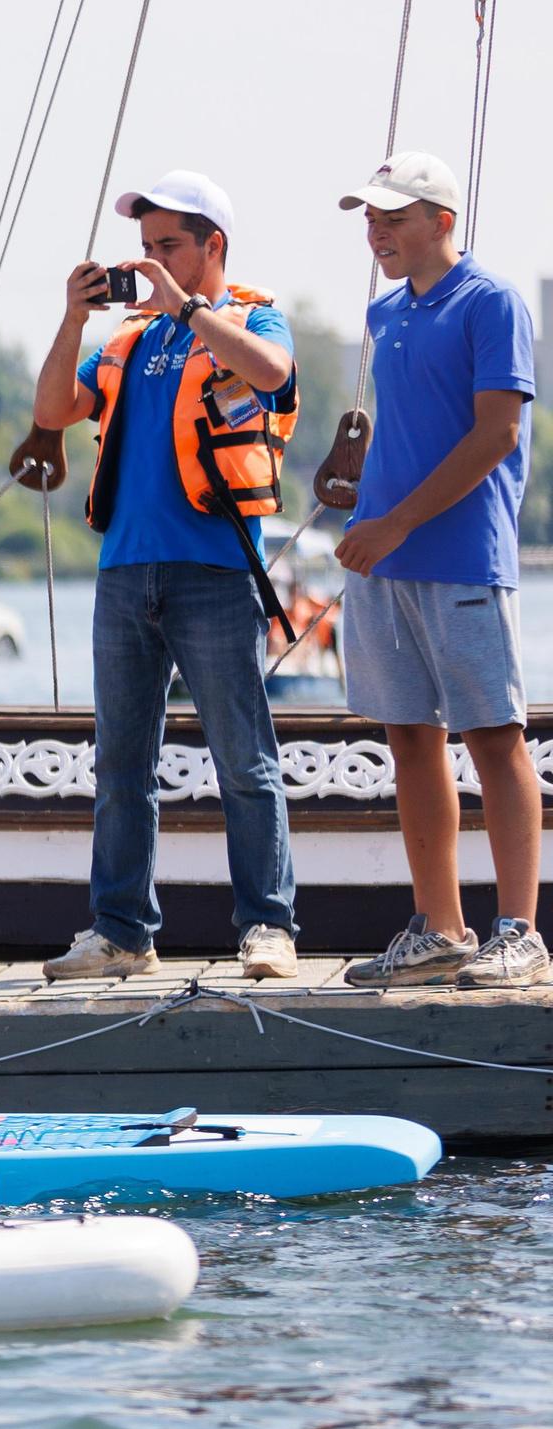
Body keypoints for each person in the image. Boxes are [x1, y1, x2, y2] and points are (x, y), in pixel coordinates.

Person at [29, 170, 301, 983]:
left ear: (212, 245)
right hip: (125, 573)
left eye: (168, 246)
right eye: (145, 247)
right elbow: (51, 412)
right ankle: (121, 932)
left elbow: (272, 373)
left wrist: (187, 308)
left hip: (215, 573)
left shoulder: (252, 317)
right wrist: (73, 317)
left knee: (244, 761)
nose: (150, 261)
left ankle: (269, 928)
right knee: (120, 766)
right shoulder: (129, 339)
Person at [328, 153, 543, 989]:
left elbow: (498, 435)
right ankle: (442, 931)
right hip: (383, 559)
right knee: (409, 737)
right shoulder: (386, 312)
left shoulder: (492, 301)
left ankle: (520, 933)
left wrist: (394, 524)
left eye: (394, 217)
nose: (376, 232)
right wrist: (372, 525)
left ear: (442, 221)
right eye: (370, 219)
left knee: (494, 738)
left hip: (459, 557)